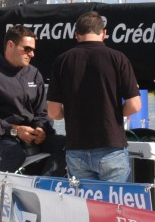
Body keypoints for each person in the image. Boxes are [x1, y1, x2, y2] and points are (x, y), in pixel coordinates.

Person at [46, 11, 141, 182]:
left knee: (85, 206)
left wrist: (68, 114)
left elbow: (53, 112)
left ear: (76, 35)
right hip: (111, 147)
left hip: (76, 148)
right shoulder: (118, 58)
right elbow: (134, 105)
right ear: (104, 33)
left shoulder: (62, 61)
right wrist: (115, 114)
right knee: (115, 207)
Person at [0, 25, 66, 177]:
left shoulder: (34, 74)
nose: (32, 54)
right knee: (15, 154)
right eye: (27, 49)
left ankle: (44, 185)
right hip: (0, 135)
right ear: (10, 45)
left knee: (69, 145)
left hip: (32, 133)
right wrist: (15, 130)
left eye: (33, 50)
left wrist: (41, 129)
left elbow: (42, 112)